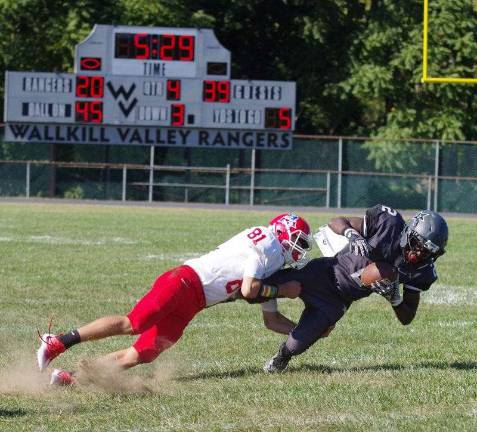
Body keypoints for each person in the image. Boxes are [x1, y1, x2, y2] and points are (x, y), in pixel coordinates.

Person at [37, 213, 313, 385]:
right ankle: (59, 342)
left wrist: (305, 331)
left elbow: (271, 320)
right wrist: (281, 290)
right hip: (184, 281)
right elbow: (249, 289)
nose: (299, 251)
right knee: (134, 323)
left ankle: (70, 377)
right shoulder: (268, 244)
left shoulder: (274, 262)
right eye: (298, 242)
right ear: (283, 232)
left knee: (141, 353)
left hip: (194, 304)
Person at [264, 205, 449, 372]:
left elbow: (407, 317)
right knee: (266, 282)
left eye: (427, 252)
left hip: (337, 301)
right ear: (409, 232)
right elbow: (336, 221)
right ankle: (235, 288)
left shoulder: (421, 270)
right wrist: (351, 234)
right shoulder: (389, 224)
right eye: (417, 245)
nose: (417, 254)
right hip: (324, 272)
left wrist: (394, 298)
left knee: (297, 344)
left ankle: (281, 357)